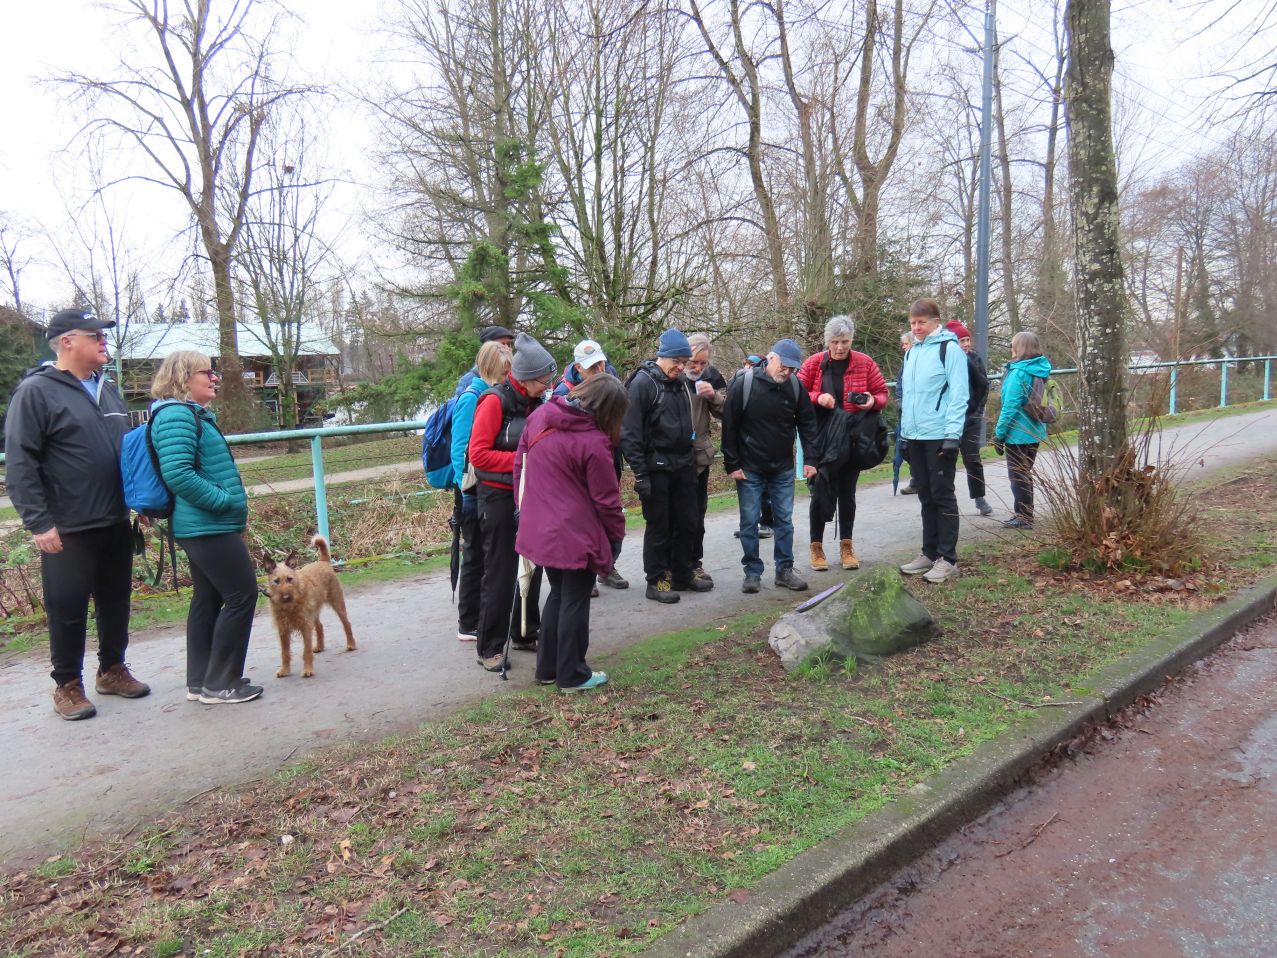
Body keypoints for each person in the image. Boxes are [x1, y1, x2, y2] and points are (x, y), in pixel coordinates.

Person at [5, 308, 149, 720]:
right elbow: (20, 462)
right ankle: (67, 685)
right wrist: (38, 521)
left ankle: (112, 669)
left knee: (116, 600)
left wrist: (140, 502)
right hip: (67, 525)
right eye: (95, 335)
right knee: (67, 606)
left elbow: (126, 454)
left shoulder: (108, 389)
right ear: (67, 341)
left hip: (114, 517)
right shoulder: (36, 392)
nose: (104, 341)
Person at [148, 351, 259, 704]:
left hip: (203, 525)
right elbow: (178, 473)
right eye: (206, 372)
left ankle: (201, 682)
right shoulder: (177, 416)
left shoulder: (186, 414)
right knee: (242, 595)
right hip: (206, 525)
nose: (214, 378)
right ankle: (222, 682)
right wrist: (224, 500)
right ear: (183, 377)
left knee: (208, 598)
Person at [514, 375, 628, 692]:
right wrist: (616, 536)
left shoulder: (540, 417)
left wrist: (522, 507)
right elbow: (607, 502)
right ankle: (572, 674)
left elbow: (519, 464)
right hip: (576, 533)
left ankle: (548, 668)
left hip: (542, 526)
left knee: (560, 595)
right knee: (575, 599)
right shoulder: (593, 443)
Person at [468, 332, 557, 671]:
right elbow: (478, 455)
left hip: (529, 495)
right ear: (526, 378)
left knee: (532, 567)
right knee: (501, 572)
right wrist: (524, 461)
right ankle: (489, 646)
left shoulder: (539, 403)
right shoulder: (493, 401)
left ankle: (525, 631)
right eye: (543, 380)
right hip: (498, 496)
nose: (547, 386)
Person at [722, 339, 818, 594]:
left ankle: (784, 570)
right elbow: (729, 426)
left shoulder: (795, 387)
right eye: (783, 365)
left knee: (784, 521)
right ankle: (752, 572)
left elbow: (808, 424)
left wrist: (811, 460)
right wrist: (732, 463)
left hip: (783, 468)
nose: (786, 372)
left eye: (792, 368)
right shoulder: (744, 383)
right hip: (749, 467)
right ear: (771, 358)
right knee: (749, 521)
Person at [620, 328, 707, 604]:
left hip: (683, 463)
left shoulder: (680, 383)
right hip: (656, 467)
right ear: (663, 356)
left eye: (685, 361)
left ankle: (682, 573)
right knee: (660, 526)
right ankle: (657, 579)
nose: (681, 367)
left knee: (688, 522)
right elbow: (629, 433)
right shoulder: (643, 384)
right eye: (677, 361)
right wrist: (640, 474)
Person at [797, 315, 889, 572]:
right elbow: (798, 393)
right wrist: (818, 397)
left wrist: (872, 402)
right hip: (823, 436)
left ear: (851, 340)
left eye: (845, 342)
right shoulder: (814, 363)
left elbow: (883, 393)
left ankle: (846, 546)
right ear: (828, 341)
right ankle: (816, 546)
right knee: (821, 488)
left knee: (848, 492)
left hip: (854, 436)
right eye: (835, 342)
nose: (840, 347)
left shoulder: (865, 362)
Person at [898, 298, 969, 584]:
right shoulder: (911, 351)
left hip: (940, 434)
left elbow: (959, 394)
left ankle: (947, 558)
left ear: (935, 321)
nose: (917, 328)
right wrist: (904, 434)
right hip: (915, 434)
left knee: (942, 495)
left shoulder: (948, 349)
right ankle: (929, 552)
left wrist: (953, 434)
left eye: (922, 322)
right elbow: (909, 397)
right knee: (925, 495)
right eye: (913, 323)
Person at [554, 339, 628, 592]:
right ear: (578, 367)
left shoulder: (612, 380)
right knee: (584, 518)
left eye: (601, 364)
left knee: (609, 510)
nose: (598, 371)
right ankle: (586, 569)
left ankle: (607, 566)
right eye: (591, 367)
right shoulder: (563, 393)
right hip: (579, 467)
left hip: (608, 457)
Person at [449, 341, 512, 643]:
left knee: (480, 554)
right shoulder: (473, 397)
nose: (505, 379)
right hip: (471, 490)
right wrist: (467, 490)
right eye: (502, 373)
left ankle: (477, 617)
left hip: (479, 486)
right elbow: (461, 448)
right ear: (489, 369)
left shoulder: (489, 394)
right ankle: (468, 620)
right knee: (473, 555)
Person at [993, 331, 1053, 529]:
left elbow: (1010, 407)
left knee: (1018, 475)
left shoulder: (1019, 372)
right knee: (1025, 473)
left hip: (1018, 433)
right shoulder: (1040, 369)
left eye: (1013, 345)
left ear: (1019, 348)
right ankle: (1022, 512)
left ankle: (1025, 516)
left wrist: (999, 435)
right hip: (1035, 430)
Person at [684, 334, 727, 588]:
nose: (697, 367)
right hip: (672, 459)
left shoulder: (711, 377)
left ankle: (694, 564)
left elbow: (726, 412)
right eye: (693, 361)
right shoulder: (670, 376)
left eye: (702, 363)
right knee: (674, 518)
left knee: (698, 516)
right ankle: (669, 570)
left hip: (700, 457)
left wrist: (714, 396)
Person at [945, 321, 993, 517]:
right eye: (960, 340)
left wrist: (977, 412)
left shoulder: (974, 359)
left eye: (967, 339)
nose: (965, 344)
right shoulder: (944, 361)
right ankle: (948, 502)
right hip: (949, 420)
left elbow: (983, 387)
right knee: (946, 460)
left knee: (973, 459)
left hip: (970, 418)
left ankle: (979, 497)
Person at [731, 353, 775, 539]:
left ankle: (767, 523)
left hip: (766, 448)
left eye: (753, 364)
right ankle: (750, 525)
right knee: (747, 491)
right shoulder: (739, 382)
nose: (749, 367)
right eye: (747, 363)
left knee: (765, 490)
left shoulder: (770, 384)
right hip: (744, 449)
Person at [454, 325, 516, 396]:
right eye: (502, 345)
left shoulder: (516, 372)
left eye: (509, 344)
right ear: (488, 349)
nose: (507, 349)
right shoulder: (469, 380)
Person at [896, 330, 920, 495]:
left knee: (914, 447)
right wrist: (899, 401)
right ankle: (918, 478)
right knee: (905, 447)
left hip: (918, 412)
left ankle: (919, 479)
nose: (903, 347)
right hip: (905, 411)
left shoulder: (920, 361)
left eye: (906, 343)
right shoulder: (905, 362)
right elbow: (900, 383)